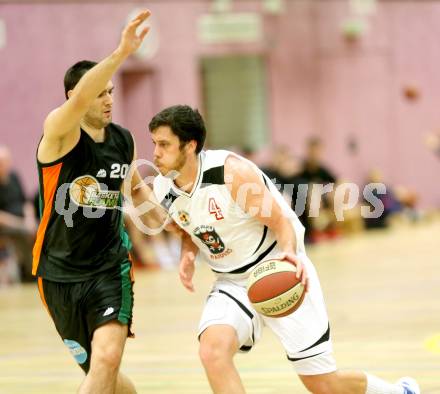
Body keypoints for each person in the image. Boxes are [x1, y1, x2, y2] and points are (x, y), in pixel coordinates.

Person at [148, 105, 420, 394]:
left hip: (276, 267)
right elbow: (190, 227)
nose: (155, 153)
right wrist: (188, 253)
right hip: (231, 282)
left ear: (189, 146)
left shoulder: (231, 174)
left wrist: (289, 255)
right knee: (212, 353)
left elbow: (280, 220)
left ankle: (399, 392)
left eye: (164, 145)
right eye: (154, 144)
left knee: (323, 384)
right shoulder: (164, 187)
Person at [33, 10, 164, 393]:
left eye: (111, 92)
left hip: (109, 269)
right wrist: (122, 52)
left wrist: (171, 220)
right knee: (102, 374)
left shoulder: (123, 140)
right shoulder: (58, 135)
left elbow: (135, 189)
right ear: (77, 97)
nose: (108, 99)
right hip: (57, 274)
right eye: (100, 92)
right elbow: (77, 104)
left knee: (107, 359)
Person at [0, 145, 35, 283]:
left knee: (42, 227)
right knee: (24, 232)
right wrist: (20, 224)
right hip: (7, 225)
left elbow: (26, 202)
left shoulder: (14, 176)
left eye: (5, 162)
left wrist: (30, 219)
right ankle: (29, 272)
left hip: (23, 220)